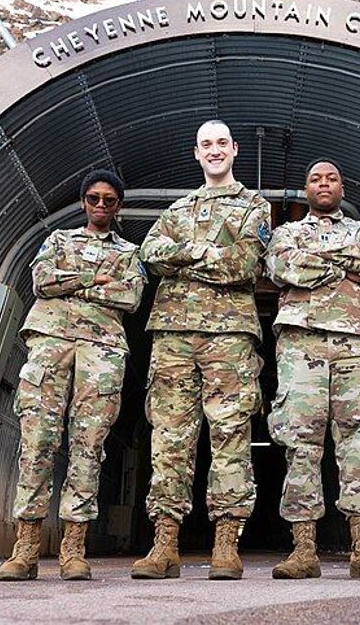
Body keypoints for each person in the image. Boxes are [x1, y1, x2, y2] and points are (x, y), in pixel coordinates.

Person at [131, 120, 271, 581]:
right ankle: (164, 545)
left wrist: (186, 256)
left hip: (229, 336)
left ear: (235, 149)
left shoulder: (255, 206)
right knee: (169, 437)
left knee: (229, 434)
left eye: (221, 143)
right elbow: (151, 254)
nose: (214, 150)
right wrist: (210, 253)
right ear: (196, 153)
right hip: (172, 335)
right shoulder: (177, 209)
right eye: (206, 144)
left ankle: (226, 544)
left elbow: (244, 263)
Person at [0, 169, 146, 581]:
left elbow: (130, 296)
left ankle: (74, 549)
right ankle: (25, 549)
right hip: (50, 344)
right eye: (93, 198)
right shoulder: (58, 240)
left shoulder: (130, 253)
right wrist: (94, 279)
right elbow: (41, 281)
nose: (100, 205)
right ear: (83, 201)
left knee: (89, 445)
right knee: (37, 443)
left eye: (109, 200)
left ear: (119, 207)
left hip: (102, 351)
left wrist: (70, 284)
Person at [265, 160, 360, 580]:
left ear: (342, 187)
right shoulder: (285, 233)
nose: (323, 184)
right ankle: (303, 550)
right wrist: (340, 266)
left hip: (356, 345)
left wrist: (315, 262)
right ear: (305, 189)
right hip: (300, 344)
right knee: (300, 444)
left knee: (359, 444)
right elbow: (282, 267)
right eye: (315, 179)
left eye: (332, 178)